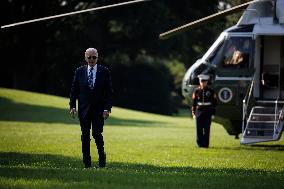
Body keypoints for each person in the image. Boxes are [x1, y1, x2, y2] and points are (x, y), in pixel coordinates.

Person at [69, 48, 113, 168]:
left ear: (97, 58)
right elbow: (74, 91)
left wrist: (107, 109)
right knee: (85, 136)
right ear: (85, 58)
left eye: (94, 57)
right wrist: (72, 106)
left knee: (97, 134)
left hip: (99, 110)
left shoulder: (104, 71)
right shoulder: (79, 72)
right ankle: (87, 164)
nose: (92, 59)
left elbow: (109, 93)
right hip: (84, 110)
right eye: (89, 57)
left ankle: (101, 158)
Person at [191, 74, 217, 148]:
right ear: (199, 82)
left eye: (204, 81)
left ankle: (205, 144)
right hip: (199, 111)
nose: (203, 83)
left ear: (207, 82)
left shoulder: (211, 91)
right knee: (199, 128)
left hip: (208, 111)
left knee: (206, 128)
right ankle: (200, 144)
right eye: (201, 81)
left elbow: (214, 103)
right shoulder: (196, 91)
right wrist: (193, 113)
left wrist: (213, 114)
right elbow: (194, 103)